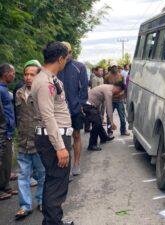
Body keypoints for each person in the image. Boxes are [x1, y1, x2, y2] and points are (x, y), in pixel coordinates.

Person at [31, 41, 74, 225]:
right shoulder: (44, 82)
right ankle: (52, 223)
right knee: (56, 184)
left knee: (54, 181)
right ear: (60, 58)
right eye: (66, 58)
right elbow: (48, 116)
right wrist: (60, 147)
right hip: (53, 139)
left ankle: (53, 221)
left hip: (54, 136)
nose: (66, 61)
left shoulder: (49, 78)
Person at [15, 60, 45, 220]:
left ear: (38, 76)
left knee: (42, 174)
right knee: (23, 175)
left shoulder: (43, 92)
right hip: (23, 142)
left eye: (32, 74)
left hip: (39, 141)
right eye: (26, 74)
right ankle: (24, 206)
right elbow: (16, 116)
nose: (28, 77)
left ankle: (41, 200)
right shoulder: (18, 93)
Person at [58, 42, 88, 176]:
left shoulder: (79, 67)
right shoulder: (56, 67)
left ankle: (76, 164)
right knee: (62, 138)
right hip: (59, 110)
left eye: (68, 52)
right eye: (64, 52)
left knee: (76, 136)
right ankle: (65, 166)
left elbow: (84, 89)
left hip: (75, 109)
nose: (67, 55)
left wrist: (80, 105)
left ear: (71, 52)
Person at [83, 83, 125, 150]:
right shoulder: (109, 92)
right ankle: (92, 145)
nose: (118, 94)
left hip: (92, 105)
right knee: (96, 124)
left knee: (98, 121)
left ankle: (104, 137)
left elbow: (99, 100)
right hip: (88, 105)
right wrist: (111, 122)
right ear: (118, 88)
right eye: (119, 92)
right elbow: (109, 108)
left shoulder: (109, 87)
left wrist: (100, 114)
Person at [0, 63, 17, 201]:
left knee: (7, 161)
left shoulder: (5, 89)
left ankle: (5, 186)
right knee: (2, 160)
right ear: (5, 74)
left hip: (9, 132)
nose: (14, 75)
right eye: (12, 72)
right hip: (3, 132)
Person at [104, 64, 130, 136]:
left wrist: (121, 94)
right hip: (110, 100)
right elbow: (105, 88)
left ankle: (123, 130)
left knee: (122, 117)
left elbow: (124, 87)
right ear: (111, 68)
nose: (115, 68)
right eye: (113, 67)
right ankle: (109, 131)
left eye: (116, 67)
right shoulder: (107, 77)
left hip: (119, 100)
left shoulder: (121, 76)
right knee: (109, 117)